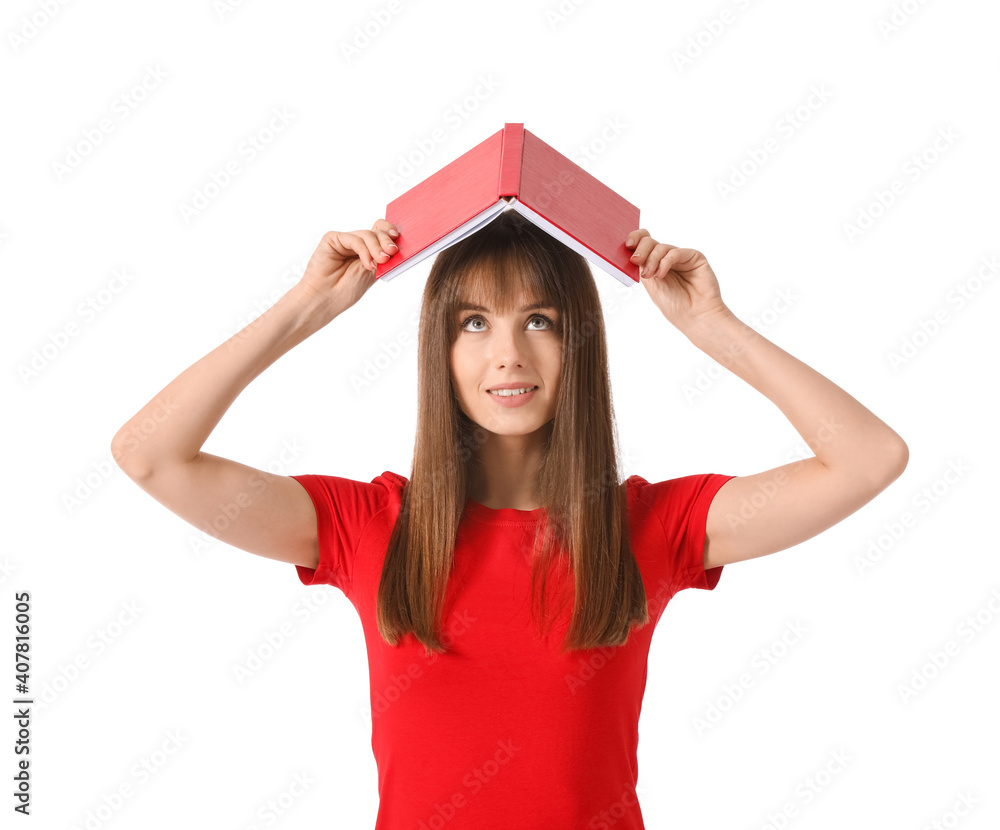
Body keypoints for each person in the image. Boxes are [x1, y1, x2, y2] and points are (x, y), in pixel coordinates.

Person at [111, 210, 908, 829]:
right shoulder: (369, 525)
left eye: (539, 321)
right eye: (473, 323)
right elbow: (150, 455)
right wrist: (305, 307)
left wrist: (712, 328)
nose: (507, 357)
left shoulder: (652, 527)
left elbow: (868, 459)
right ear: (440, 349)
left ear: (578, 345)